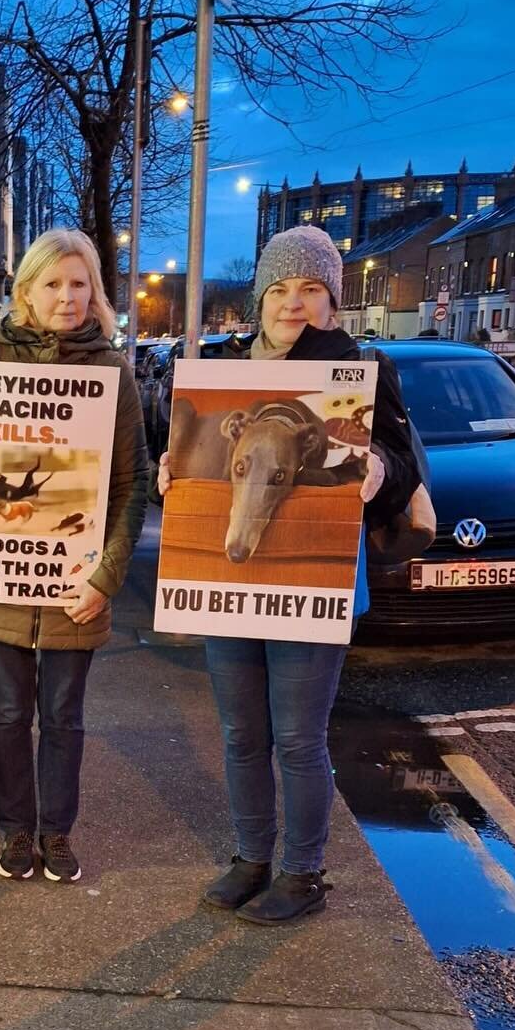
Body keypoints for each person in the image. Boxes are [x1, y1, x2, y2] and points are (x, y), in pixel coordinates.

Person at [157, 224, 419, 923]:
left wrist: (380, 471)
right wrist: (173, 470)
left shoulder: (362, 372)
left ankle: (303, 872)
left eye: (310, 288)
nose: (293, 302)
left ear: (331, 299)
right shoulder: (229, 369)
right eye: (280, 288)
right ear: (260, 299)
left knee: (299, 735)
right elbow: (196, 454)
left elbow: (403, 461)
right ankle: (251, 856)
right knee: (241, 731)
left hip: (313, 584)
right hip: (231, 585)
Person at [0, 229, 147, 884]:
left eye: (80, 284)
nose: (67, 297)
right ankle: (18, 830)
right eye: (53, 284)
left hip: (76, 581)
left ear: (95, 292)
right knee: (8, 711)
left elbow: (132, 483)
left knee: (65, 714)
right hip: (0, 574)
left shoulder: (112, 372)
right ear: (25, 292)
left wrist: (107, 575)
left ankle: (57, 830)